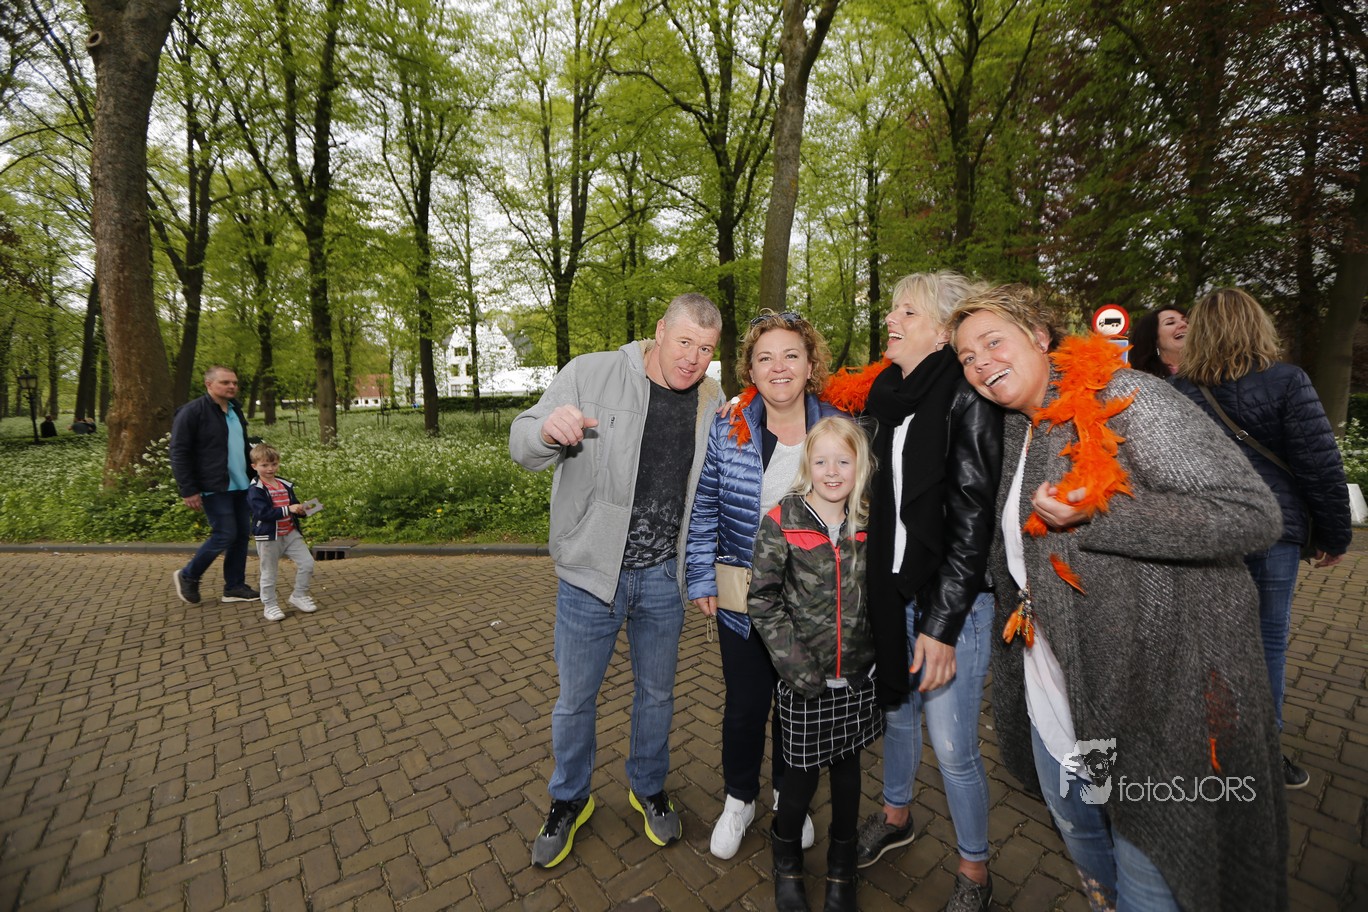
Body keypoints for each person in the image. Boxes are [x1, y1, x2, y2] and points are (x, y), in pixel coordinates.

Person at [951, 285, 1286, 912]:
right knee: (1081, 831)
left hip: (1153, 701)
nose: (980, 363)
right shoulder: (1017, 428)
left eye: (992, 342)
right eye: (966, 357)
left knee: (1152, 874)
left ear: (1039, 336)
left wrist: (1101, 515)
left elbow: (1251, 515)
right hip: (1057, 694)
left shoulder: (1129, 399)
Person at [509, 293, 725, 870]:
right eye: (685, 342)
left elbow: (713, 487)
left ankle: (648, 787)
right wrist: (546, 431)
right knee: (575, 700)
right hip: (590, 576)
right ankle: (568, 798)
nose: (693, 359)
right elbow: (522, 442)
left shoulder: (711, 398)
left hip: (663, 578)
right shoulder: (591, 373)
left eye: (706, 349)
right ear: (659, 331)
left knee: (657, 696)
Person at [855, 272, 1003, 912]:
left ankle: (975, 871)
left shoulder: (966, 397)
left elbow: (972, 522)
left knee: (952, 746)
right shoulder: (888, 397)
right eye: (893, 309)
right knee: (896, 713)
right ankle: (896, 817)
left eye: (907, 312)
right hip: (895, 591)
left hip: (953, 603)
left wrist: (941, 626)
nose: (892, 319)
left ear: (943, 332)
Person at [1173, 287, 1351, 789]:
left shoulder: (1179, 391)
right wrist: (1333, 534)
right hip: (1274, 529)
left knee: (1208, 643)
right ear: (1258, 326)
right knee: (1268, 641)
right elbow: (1319, 464)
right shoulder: (1287, 381)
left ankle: (1210, 750)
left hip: (1206, 532)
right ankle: (1261, 756)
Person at [685, 309, 841, 860]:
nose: (779, 368)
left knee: (799, 708)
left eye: (791, 355)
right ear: (750, 369)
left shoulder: (839, 427)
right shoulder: (730, 427)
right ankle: (739, 798)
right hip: (745, 599)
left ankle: (787, 798)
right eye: (765, 357)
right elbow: (705, 506)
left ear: (810, 364)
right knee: (746, 706)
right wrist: (700, 576)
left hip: (813, 603)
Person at [749, 417, 881, 912]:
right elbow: (762, 600)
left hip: (858, 680)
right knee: (800, 778)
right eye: (822, 460)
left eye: (843, 461)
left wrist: (882, 658)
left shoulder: (869, 522)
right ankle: (786, 859)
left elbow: (884, 594)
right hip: (804, 680)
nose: (832, 471)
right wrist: (796, 667)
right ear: (807, 464)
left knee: (848, 775)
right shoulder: (782, 520)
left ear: (859, 465)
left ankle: (842, 867)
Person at [170, 366, 260, 606]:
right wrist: (188, 489)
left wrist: (257, 474)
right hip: (214, 485)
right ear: (209, 384)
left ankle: (234, 587)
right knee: (224, 534)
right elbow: (179, 452)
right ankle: (188, 575)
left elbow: (241, 445)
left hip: (241, 484)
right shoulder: (191, 412)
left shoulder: (235, 409)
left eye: (235, 383)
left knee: (241, 536)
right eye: (225, 382)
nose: (232, 386)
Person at [246, 443, 318, 622]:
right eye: (264, 465)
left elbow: (294, 505)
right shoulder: (255, 489)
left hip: (290, 532)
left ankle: (299, 595)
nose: (270, 469)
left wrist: (303, 510)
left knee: (307, 563)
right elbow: (262, 513)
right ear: (254, 466)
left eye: (274, 464)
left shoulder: (284, 484)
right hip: (269, 536)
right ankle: (269, 605)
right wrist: (289, 509)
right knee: (269, 572)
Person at [1127, 307, 1188, 377]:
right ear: (1154, 338)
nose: (1183, 324)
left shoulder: (1199, 371)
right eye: (1170, 323)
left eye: (1187, 321)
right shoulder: (1142, 378)